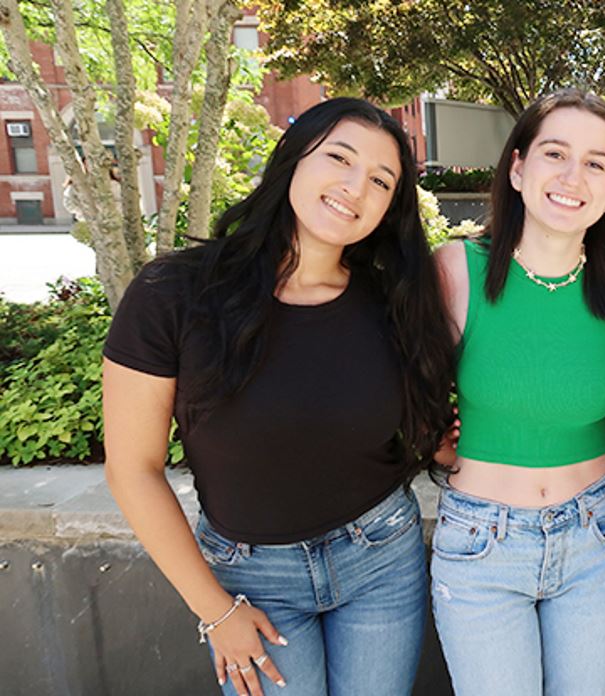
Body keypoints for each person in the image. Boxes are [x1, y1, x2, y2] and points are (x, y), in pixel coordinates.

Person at [102, 97, 456, 696]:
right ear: (293, 160)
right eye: (339, 158)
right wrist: (214, 610)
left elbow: (407, 425)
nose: (355, 187)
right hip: (250, 577)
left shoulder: (390, 299)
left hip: (381, 560)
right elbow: (133, 469)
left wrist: (442, 448)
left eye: (380, 180)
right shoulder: (174, 293)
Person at [430, 89, 605, 696]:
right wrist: (431, 443)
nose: (573, 176)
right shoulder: (456, 270)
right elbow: (397, 388)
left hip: (596, 540)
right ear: (518, 168)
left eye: (597, 163)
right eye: (555, 153)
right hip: (481, 546)